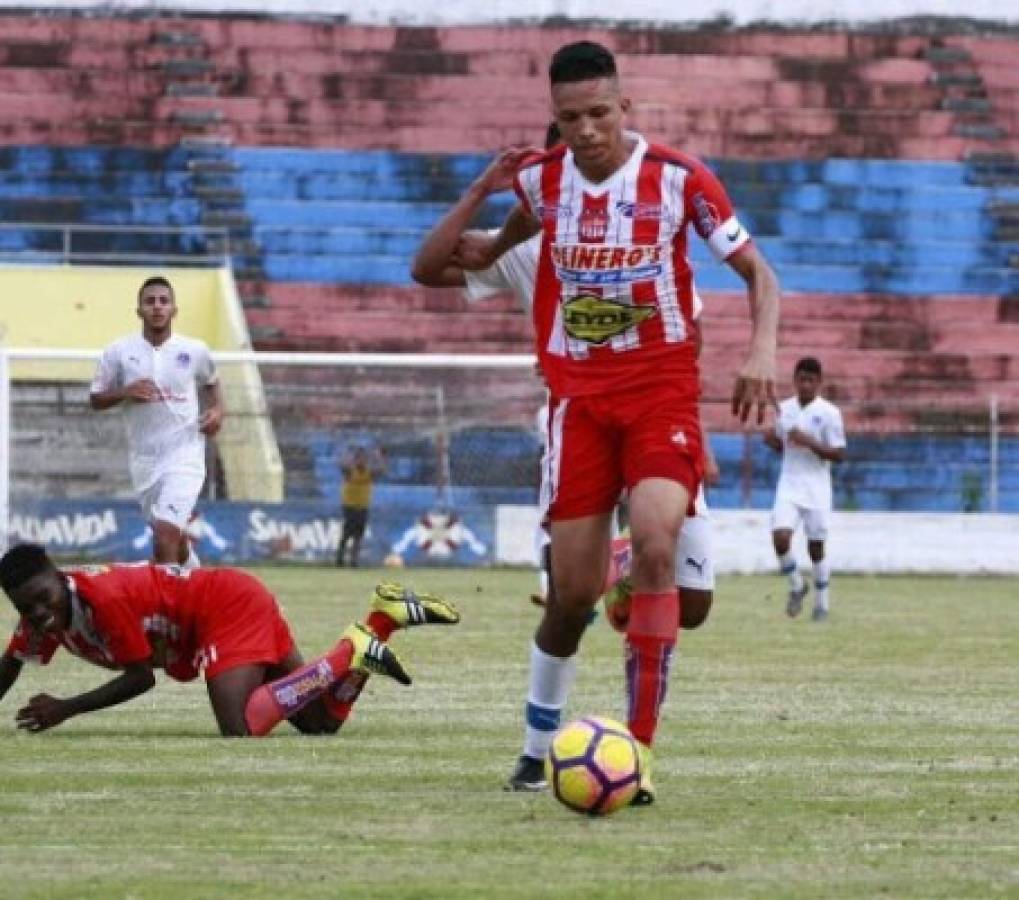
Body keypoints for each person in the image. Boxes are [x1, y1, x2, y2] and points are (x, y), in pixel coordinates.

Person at [451, 41, 779, 802]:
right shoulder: (540, 181)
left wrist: (760, 348)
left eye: (600, 113)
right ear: (555, 121)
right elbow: (511, 233)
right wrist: (484, 249)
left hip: (661, 389)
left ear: (624, 106)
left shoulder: (677, 178)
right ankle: (536, 748)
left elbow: (759, 272)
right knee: (570, 597)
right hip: (578, 402)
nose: (587, 130)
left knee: (658, 543)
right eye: (571, 119)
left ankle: (636, 751)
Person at [0, 542, 459, 736]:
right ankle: (383, 621)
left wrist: (66, 708)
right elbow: (9, 667)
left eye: (43, 598)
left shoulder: (101, 598)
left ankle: (350, 651)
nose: (39, 613)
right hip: (225, 609)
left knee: (239, 726)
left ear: (60, 578)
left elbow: (140, 678)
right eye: (26, 607)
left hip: (226, 607)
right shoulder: (40, 620)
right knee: (319, 723)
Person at [89, 276, 224, 569]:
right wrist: (125, 391)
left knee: (164, 538)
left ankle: (170, 613)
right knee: (173, 539)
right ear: (139, 310)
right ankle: (196, 583)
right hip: (145, 461)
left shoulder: (194, 350)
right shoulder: (119, 352)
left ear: (174, 309)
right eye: (150, 302)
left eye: (164, 301)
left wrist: (217, 412)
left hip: (185, 456)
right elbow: (96, 399)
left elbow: (212, 382)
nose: (157, 307)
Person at [762, 357, 846, 621]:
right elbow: (782, 444)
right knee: (780, 538)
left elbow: (838, 454)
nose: (806, 384)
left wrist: (808, 441)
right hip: (789, 484)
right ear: (795, 380)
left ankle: (822, 603)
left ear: (819, 382)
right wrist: (771, 440)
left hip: (817, 488)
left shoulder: (830, 413)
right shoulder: (785, 409)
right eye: (801, 379)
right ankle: (797, 585)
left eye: (811, 380)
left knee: (816, 547)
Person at [336, 446, 386, 568]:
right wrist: (348, 457)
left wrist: (379, 458)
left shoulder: (369, 473)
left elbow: (382, 470)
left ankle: (354, 561)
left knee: (358, 536)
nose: (361, 461)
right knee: (347, 534)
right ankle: (340, 559)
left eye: (363, 459)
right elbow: (341, 465)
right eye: (359, 458)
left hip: (363, 506)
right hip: (350, 506)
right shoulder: (351, 471)